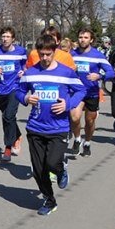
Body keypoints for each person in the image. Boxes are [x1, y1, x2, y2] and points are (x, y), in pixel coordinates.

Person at [17, 35, 85, 216]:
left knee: (52, 163)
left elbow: (81, 90)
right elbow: (19, 91)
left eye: (48, 54)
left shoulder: (66, 72)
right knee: (38, 170)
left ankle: (61, 170)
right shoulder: (31, 72)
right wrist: (25, 98)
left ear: (55, 52)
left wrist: (68, 104)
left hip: (58, 128)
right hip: (35, 127)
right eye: (41, 54)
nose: (45, 58)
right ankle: (49, 200)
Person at [0, 27, 28, 161]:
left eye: (8, 36)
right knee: (7, 117)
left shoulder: (21, 51)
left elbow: (27, 65)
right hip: (0, 90)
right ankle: (17, 135)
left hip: (15, 88)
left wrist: (24, 71)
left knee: (8, 116)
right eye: (3, 36)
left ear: (13, 39)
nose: (5, 39)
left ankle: (8, 148)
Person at [70, 29, 115, 157]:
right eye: (80, 37)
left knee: (90, 121)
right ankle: (77, 139)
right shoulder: (72, 54)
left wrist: (99, 76)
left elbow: (110, 72)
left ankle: (87, 142)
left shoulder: (97, 55)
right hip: (76, 91)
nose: (82, 40)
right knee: (74, 117)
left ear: (91, 40)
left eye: (85, 37)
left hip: (92, 93)